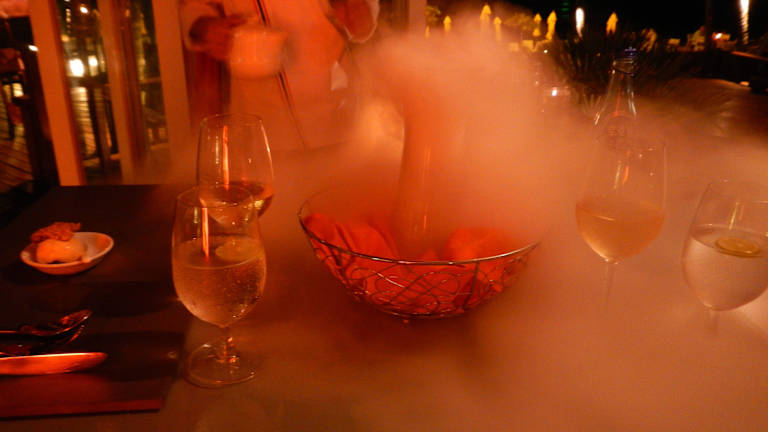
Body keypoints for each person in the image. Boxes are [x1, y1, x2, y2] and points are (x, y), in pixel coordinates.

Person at [179, 0, 379, 151]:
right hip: (259, 122)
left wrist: (360, 12)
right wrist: (205, 26)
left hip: (334, 112)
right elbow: (194, 6)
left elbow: (363, 17)